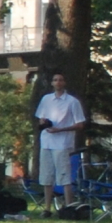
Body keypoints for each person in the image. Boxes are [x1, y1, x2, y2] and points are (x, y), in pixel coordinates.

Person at [34, 70, 87, 210]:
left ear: (64, 83)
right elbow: (41, 117)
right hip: (46, 142)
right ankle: (47, 208)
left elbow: (80, 124)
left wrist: (60, 129)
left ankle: (68, 206)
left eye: (61, 80)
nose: (58, 82)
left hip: (62, 143)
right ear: (52, 83)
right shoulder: (46, 99)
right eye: (55, 80)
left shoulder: (72, 102)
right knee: (46, 176)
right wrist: (44, 123)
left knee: (64, 176)